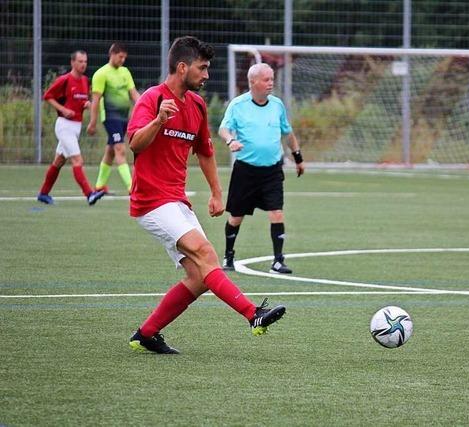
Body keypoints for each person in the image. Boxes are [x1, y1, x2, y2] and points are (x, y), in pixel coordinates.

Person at [126, 36, 285, 354]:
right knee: (207, 255)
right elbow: (135, 145)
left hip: (176, 200)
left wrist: (216, 193)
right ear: (182, 67)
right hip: (151, 201)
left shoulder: (197, 105)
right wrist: (159, 120)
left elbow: (205, 152)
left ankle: (146, 334)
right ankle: (253, 314)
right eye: (203, 68)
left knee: (200, 277)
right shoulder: (152, 98)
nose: (207, 75)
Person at [218, 63, 305, 274]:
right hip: (245, 171)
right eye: (266, 79)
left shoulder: (277, 105)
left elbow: (288, 132)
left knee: (277, 213)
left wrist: (298, 157)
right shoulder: (238, 105)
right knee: (236, 216)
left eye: (272, 79)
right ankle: (228, 256)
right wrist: (231, 141)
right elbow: (223, 128)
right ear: (253, 82)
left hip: (272, 171)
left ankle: (278, 261)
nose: (270, 83)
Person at [36, 50, 105, 206]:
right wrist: (63, 109)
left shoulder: (85, 81)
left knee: (59, 161)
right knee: (77, 160)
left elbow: (80, 101)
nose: (83, 64)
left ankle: (43, 194)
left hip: (76, 127)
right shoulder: (64, 79)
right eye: (80, 61)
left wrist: (86, 105)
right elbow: (47, 96)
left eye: (85, 61)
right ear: (72, 62)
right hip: (64, 126)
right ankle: (89, 194)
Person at [87, 42, 139, 194]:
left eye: (124, 57)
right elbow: (95, 100)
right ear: (112, 54)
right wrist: (92, 122)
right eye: (120, 57)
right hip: (110, 118)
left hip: (124, 118)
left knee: (110, 151)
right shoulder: (101, 74)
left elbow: (134, 93)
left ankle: (98, 186)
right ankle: (132, 188)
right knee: (120, 149)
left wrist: (146, 105)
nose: (122, 60)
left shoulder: (125, 72)